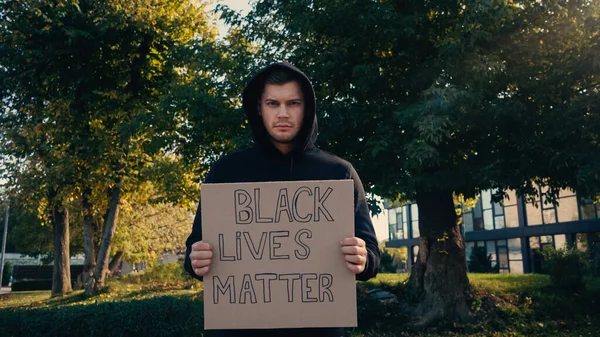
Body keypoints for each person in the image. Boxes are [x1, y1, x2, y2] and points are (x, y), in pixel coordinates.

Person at [184, 62, 380, 337]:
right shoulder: (226, 171)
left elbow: (371, 253)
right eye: (273, 103)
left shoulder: (338, 172)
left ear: (307, 108)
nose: (283, 113)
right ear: (259, 108)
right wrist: (196, 259)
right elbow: (194, 249)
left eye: (293, 103)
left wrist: (363, 258)